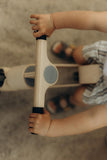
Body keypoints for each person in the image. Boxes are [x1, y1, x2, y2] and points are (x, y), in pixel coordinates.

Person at [28, 11, 107, 137]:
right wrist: (53, 21)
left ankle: (71, 101)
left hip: (103, 90)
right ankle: (73, 53)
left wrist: (50, 128)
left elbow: (93, 118)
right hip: (102, 56)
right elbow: (94, 20)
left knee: (78, 97)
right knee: (79, 54)